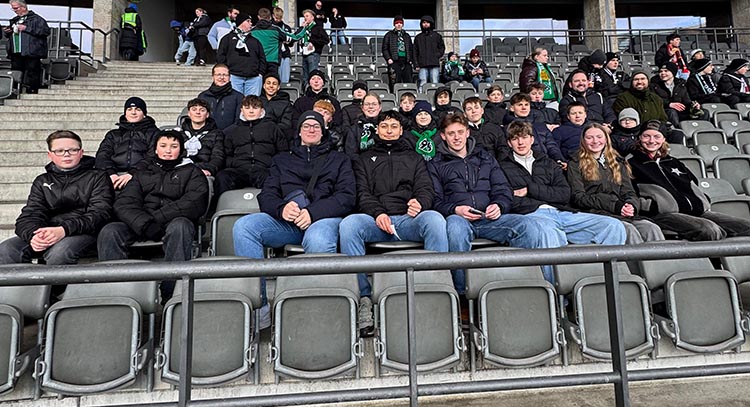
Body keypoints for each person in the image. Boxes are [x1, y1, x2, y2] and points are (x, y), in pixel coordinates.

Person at [232, 111, 356, 324]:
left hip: (324, 219)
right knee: (244, 226)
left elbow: (347, 196)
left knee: (317, 239)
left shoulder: (339, 159)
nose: (311, 129)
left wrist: (313, 213)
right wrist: (282, 209)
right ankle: (258, 307)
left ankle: (317, 312)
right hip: (289, 222)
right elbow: (267, 194)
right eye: (306, 126)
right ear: (299, 131)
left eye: (316, 126)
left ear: (323, 131)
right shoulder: (281, 160)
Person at [339, 110, 449, 324]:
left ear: (401, 131)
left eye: (394, 127)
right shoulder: (363, 159)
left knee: (435, 220)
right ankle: (363, 296)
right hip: (376, 220)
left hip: (408, 219)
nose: (389, 131)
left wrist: (420, 202)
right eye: (384, 127)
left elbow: (426, 188)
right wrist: (377, 212)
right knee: (349, 225)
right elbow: (361, 192)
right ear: (377, 130)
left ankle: (435, 288)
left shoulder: (414, 157)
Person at [429, 113, 559, 293]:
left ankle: (521, 287)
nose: (457, 137)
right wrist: (456, 209)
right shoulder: (436, 163)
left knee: (530, 227)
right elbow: (435, 200)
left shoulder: (485, 157)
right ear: (443, 136)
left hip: (490, 217)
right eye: (451, 133)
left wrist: (499, 205)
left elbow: (503, 189)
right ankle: (461, 294)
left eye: (460, 132)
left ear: (468, 132)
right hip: (459, 217)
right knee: (455, 230)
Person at [499, 120, 627, 281]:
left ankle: (605, 285)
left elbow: (564, 194)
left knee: (613, 226)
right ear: (509, 143)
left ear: (532, 139)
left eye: (524, 137)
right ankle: (558, 297)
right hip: (532, 215)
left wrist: (529, 190)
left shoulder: (548, 163)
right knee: (547, 233)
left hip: (562, 212)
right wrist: (545, 194)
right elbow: (509, 199)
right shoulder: (501, 167)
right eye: (515, 139)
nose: (520, 142)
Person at [97, 131, 209, 293]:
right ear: (156, 149)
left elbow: (193, 202)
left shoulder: (192, 172)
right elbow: (125, 203)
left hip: (173, 221)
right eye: (163, 146)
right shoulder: (142, 172)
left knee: (181, 227)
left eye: (174, 146)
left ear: (181, 150)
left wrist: (155, 220)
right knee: (110, 231)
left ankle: (172, 291)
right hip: (142, 223)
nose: (168, 150)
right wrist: (145, 223)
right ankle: (114, 291)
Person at [0, 130, 112, 265]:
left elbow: (100, 213)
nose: (66, 154)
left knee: (59, 253)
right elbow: (30, 214)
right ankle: (25, 286)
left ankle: (56, 287)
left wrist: (63, 230)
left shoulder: (98, 177)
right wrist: (34, 236)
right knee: (7, 249)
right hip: (48, 230)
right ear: (50, 155)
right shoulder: (42, 181)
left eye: (73, 150)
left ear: (81, 152)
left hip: (83, 231)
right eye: (59, 151)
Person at [628, 121, 750, 240]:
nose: (651, 141)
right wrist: (654, 206)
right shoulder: (631, 164)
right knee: (709, 230)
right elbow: (630, 193)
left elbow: (693, 182)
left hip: (695, 210)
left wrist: (701, 199)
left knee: (745, 227)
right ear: (639, 138)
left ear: (664, 139)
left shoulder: (673, 162)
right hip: (663, 214)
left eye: (657, 136)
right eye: (646, 136)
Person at [567, 123, 664, 242]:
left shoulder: (618, 161)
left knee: (651, 228)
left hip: (620, 212)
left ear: (606, 139)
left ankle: (659, 261)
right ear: (583, 141)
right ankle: (637, 261)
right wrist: (614, 205)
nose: (595, 141)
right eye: (589, 137)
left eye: (599, 137)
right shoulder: (575, 163)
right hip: (594, 213)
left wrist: (631, 206)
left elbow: (629, 192)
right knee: (628, 230)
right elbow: (578, 197)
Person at [216, 95, 283, 194]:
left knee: (272, 179)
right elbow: (227, 154)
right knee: (223, 177)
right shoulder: (231, 131)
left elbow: (282, 150)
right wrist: (233, 164)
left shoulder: (272, 128)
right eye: (247, 108)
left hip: (264, 169)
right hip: (239, 169)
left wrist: (272, 165)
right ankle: (221, 208)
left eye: (255, 108)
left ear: (261, 110)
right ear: (241, 110)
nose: (251, 111)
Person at [95, 97, 160, 190]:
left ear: (144, 114)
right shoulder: (113, 134)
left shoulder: (154, 133)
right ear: (125, 113)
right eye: (129, 109)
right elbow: (102, 155)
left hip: (141, 175)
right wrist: (111, 173)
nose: (133, 112)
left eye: (138, 109)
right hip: (112, 175)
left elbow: (153, 156)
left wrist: (132, 173)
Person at [614, 70, 684, 143]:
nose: (639, 82)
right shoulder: (623, 98)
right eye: (636, 79)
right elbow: (623, 121)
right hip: (635, 133)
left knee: (677, 135)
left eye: (643, 79)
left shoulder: (656, 98)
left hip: (655, 131)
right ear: (632, 82)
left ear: (648, 81)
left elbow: (662, 119)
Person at [4, 0, 49, 92]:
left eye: (16, 8)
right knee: (16, 71)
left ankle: (31, 90)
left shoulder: (37, 19)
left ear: (23, 7)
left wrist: (26, 28)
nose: (14, 11)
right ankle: (16, 90)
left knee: (32, 71)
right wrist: (8, 32)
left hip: (31, 51)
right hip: (16, 51)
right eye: (13, 8)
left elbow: (45, 32)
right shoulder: (14, 20)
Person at [216, 12, 267, 96]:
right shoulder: (227, 39)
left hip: (253, 78)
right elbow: (221, 56)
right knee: (234, 103)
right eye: (248, 21)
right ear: (242, 22)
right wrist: (226, 73)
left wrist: (260, 74)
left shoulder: (255, 41)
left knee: (252, 105)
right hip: (234, 77)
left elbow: (262, 58)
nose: (251, 23)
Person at [179, 98, 225, 178]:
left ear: (207, 114)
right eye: (194, 109)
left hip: (204, 170)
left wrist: (209, 170)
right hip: (180, 169)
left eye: (202, 110)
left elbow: (218, 156)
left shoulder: (217, 134)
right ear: (189, 113)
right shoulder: (179, 133)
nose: (198, 112)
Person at [197, 64, 243, 131]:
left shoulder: (239, 96)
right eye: (218, 74)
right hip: (208, 136)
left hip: (230, 136)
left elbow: (238, 121)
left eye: (225, 75)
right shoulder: (203, 96)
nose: (221, 77)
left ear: (229, 77)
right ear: (213, 77)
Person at [251, 6, 292, 79]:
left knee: (259, 83)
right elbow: (290, 39)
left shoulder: (252, 31)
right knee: (273, 83)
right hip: (273, 61)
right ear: (270, 17)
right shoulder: (276, 29)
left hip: (258, 61)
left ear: (258, 17)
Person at [294, 8, 329, 88]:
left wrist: (313, 42)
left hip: (314, 53)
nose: (305, 18)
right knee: (305, 76)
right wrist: (301, 28)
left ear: (312, 17)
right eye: (304, 16)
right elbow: (296, 36)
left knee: (312, 74)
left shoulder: (318, 28)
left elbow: (326, 40)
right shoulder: (304, 28)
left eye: (307, 16)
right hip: (304, 53)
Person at [413, 15, 445, 89]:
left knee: (435, 82)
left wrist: (437, 55)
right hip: (422, 64)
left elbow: (442, 47)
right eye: (424, 22)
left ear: (431, 23)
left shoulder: (437, 36)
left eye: (427, 22)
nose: (426, 24)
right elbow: (414, 51)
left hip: (434, 64)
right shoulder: (418, 38)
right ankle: (422, 98)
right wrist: (416, 64)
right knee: (422, 83)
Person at [382, 17, 414, 89]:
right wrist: (388, 58)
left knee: (408, 81)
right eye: (397, 23)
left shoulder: (407, 35)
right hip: (394, 61)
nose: (399, 25)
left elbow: (411, 48)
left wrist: (411, 60)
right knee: (395, 82)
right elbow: (385, 48)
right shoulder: (389, 35)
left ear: (402, 24)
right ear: (394, 25)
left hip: (406, 61)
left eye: (400, 23)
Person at [261, 73, 293, 144]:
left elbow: (286, 124)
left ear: (278, 87)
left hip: (276, 138)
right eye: (268, 83)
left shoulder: (286, 104)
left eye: (274, 84)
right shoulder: (257, 101)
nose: (271, 86)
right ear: (264, 86)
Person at [272, 6, 293, 85]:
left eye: (280, 18)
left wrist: (289, 42)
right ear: (273, 15)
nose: (278, 20)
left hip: (285, 54)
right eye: (276, 18)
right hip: (274, 55)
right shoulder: (270, 27)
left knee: (285, 79)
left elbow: (291, 42)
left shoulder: (286, 27)